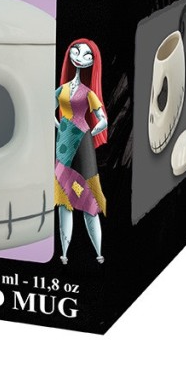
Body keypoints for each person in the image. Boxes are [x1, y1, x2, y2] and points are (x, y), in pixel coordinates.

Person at [54, 39, 108, 263]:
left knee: (88, 198)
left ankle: (97, 252)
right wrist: (61, 127)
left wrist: (90, 132)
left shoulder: (88, 93)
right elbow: (48, 109)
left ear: (93, 62)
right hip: (64, 143)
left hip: (82, 143)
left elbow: (103, 120)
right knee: (63, 197)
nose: (80, 57)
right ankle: (64, 253)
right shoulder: (63, 89)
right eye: (75, 52)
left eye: (87, 55)